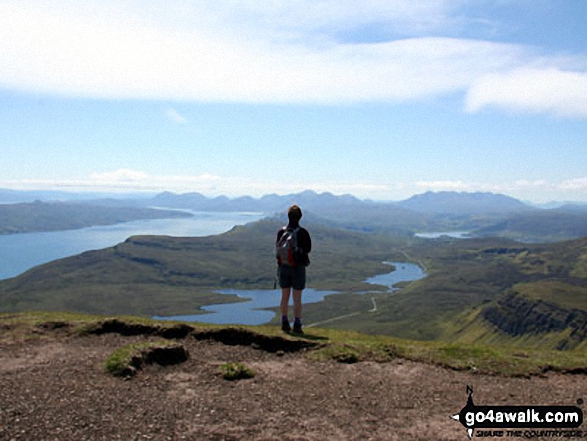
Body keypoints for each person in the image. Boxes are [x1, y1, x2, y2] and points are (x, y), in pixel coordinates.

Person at [276, 205, 311, 334]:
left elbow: (277, 250)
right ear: (300, 217)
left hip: (284, 268)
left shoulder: (281, 232)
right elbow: (308, 249)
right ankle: (297, 324)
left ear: (288, 216)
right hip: (298, 268)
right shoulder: (302, 232)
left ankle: (284, 322)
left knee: (284, 296)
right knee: (297, 298)